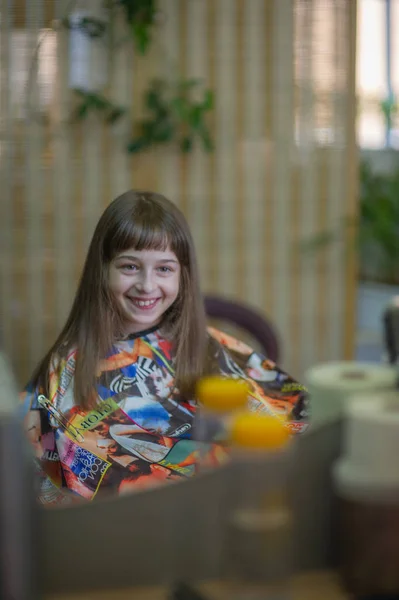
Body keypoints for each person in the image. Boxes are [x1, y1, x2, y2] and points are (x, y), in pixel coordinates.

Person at [21, 191, 308, 505]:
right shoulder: (67, 370)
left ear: (183, 275)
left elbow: (291, 415)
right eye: (130, 267)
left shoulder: (206, 343)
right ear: (101, 270)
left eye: (164, 269)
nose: (147, 285)